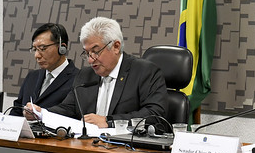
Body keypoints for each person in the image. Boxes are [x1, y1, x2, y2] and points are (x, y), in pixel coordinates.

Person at [27, 17, 168, 128]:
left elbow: (155, 114)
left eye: (95, 51)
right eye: (87, 53)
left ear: (116, 46)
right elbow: (68, 108)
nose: (90, 59)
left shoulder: (144, 71)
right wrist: (42, 114)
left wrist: (108, 121)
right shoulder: (85, 75)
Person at [10, 23, 79, 116]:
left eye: (43, 48)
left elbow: (71, 115)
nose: (37, 55)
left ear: (62, 48)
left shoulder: (78, 79)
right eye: (35, 49)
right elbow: (17, 110)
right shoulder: (32, 76)